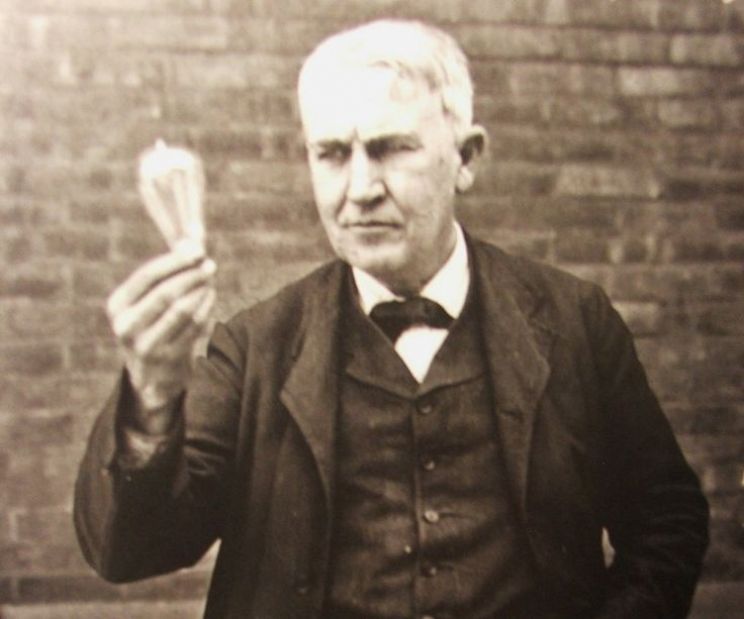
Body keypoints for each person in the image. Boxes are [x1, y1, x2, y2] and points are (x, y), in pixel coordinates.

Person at [74, 19, 709, 619]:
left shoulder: (574, 323)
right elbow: (128, 550)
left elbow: (667, 523)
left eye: (390, 149)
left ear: (466, 158)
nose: (360, 189)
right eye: (331, 154)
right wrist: (152, 397)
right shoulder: (256, 347)